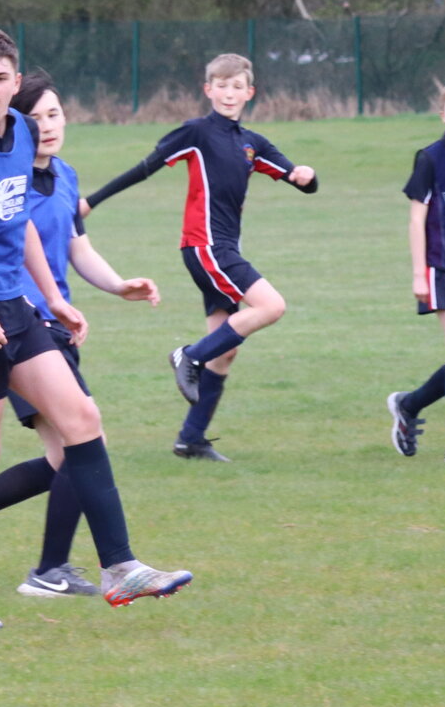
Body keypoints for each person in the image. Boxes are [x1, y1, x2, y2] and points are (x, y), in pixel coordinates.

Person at [0, 28, 192, 627]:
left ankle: (120, 568)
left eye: (1, 77)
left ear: (15, 80)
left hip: (17, 308)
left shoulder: (24, 133)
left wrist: (55, 298)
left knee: (83, 420)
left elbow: (21, 223)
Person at [81, 53, 319, 461]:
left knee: (225, 349)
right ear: (208, 90)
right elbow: (144, 168)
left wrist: (306, 176)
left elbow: (298, 180)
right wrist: (91, 201)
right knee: (271, 306)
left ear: (250, 92)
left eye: (237, 87)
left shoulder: (251, 144)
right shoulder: (197, 132)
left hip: (224, 248)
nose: (229, 93)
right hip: (206, 246)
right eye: (221, 86)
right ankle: (187, 355)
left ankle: (190, 439)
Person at [389, 76, 445, 462]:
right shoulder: (430, 158)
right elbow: (415, 220)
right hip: (441, 269)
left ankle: (409, 405)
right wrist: (417, 274)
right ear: (443, 114)